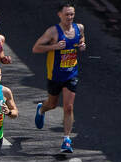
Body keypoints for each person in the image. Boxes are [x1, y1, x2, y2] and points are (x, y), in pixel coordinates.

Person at [33, 3, 86, 153]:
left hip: (71, 74)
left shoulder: (79, 28)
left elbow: (81, 40)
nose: (70, 17)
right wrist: (54, 47)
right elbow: (36, 48)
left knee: (69, 107)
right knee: (52, 104)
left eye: (72, 14)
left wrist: (82, 45)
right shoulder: (52, 32)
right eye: (67, 14)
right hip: (55, 75)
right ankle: (41, 109)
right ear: (60, 15)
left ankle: (66, 140)